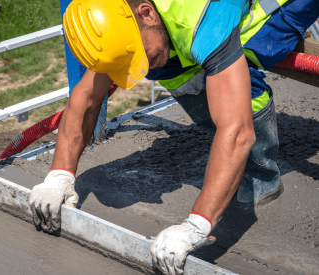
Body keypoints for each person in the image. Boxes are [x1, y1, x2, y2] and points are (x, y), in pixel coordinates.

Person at [28, 0, 319, 274]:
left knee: (242, 77)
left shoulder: (201, 26)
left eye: (136, 55)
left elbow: (238, 132)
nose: (140, 66)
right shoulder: (122, 16)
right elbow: (87, 96)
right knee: (168, 61)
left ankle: (261, 179)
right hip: (197, 23)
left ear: (147, 13)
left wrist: (196, 225)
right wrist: (59, 176)